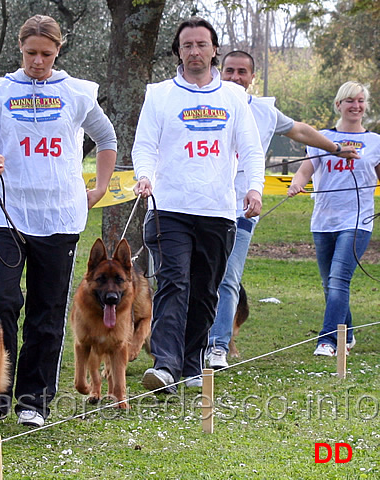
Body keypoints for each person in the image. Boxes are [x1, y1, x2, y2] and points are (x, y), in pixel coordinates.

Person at [0, 15, 116, 427]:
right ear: (21, 49)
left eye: (46, 54)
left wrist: (100, 187)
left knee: (47, 310)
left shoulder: (75, 93)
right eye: (31, 53)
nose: (38, 61)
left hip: (59, 215)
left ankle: (35, 400)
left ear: (58, 51)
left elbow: (107, 139)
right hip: (5, 213)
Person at [132, 17, 265, 393]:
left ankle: (191, 362)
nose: (194, 51)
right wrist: (145, 174)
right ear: (178, 51)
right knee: (174, 281)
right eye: (187, 45)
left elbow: (251, 150)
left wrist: (253, 188)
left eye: (201, 44)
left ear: (213, 50)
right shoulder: (159, 95)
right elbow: (144, 145)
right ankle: (165, 366)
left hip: (217, 210)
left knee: (206, 289)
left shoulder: (234, 98)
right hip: (169, 206)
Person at [205, 51, 359, 369]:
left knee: (228, 277)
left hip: (243, 208)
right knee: (197, 277)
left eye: (242, 72)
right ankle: (186, 344)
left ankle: (217, 346)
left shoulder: (263, 111)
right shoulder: (203, 104)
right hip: (199, 206)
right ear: (219, 71)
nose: (235, 77)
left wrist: (335, 148)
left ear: (251, 77)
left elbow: (300, 130)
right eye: (230, 70)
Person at [288, 81, 380, 357]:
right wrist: (296, 184)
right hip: (323, 221)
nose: (356, 106)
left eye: (361, 101)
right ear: (339, 104)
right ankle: (347, 333)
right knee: (330, 283)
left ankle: (328, 341)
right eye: (350, 100)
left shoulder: (375, 141)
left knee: (339, 279)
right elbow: (305, 170)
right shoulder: (322, 137)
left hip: (357, 222)